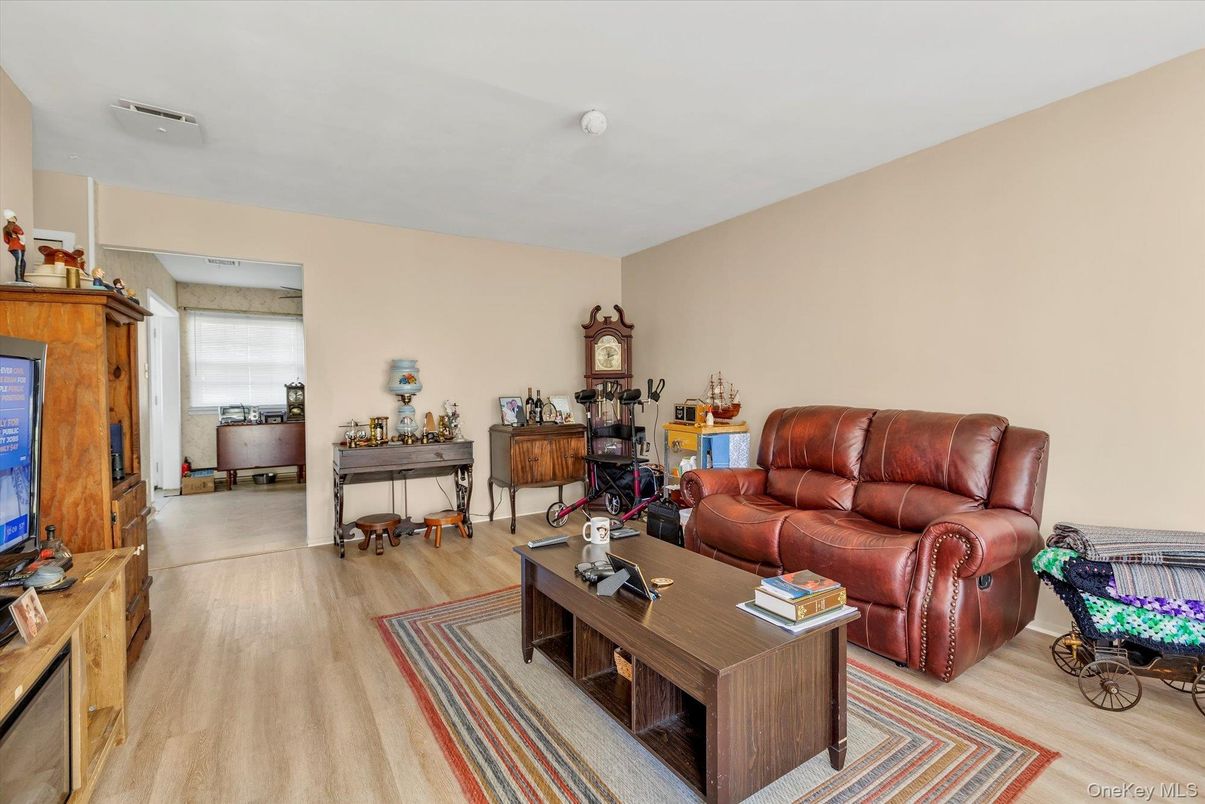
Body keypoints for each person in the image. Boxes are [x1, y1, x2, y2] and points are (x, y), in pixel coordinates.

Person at [2, 210, 27, 283]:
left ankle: (21, 278)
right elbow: (21, 233)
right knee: (20, 261)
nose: (15, 218)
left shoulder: (5, 228)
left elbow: (6, 240)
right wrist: (21, 242)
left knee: (22, 262)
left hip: (12, 247)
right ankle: (19, 279)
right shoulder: (15, 226)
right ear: (9, 219)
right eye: (13, 217)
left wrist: (12, 243)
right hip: (19, 247)